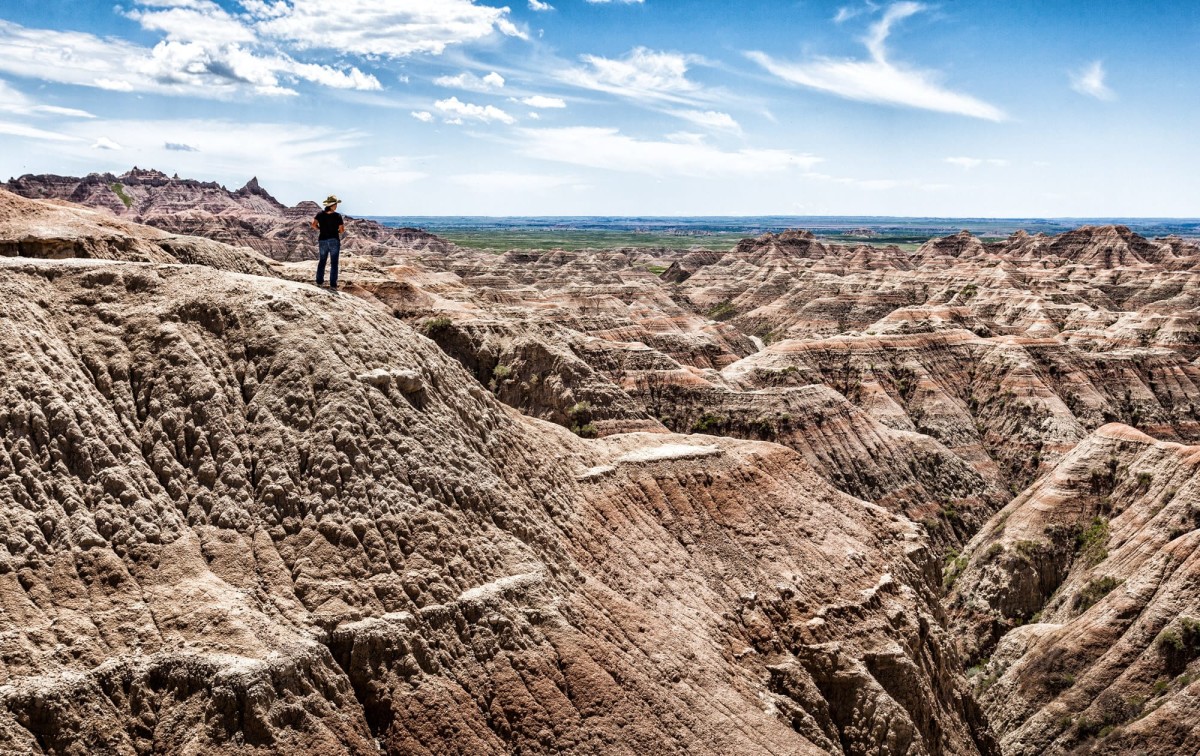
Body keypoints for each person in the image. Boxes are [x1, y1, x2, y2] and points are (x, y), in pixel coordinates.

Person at [311, 195, 345, 290]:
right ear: (332, 205)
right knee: (334, 263)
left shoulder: (320, 214)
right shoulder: (337, 216)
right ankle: (333, 286)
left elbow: (313, 225)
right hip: (334, 240)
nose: (336, 206)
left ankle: (319, 282)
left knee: (322, 261)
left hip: (322, 240)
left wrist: (321, 229)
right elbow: (342, 230)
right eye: (336, 204)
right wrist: (336, 232)